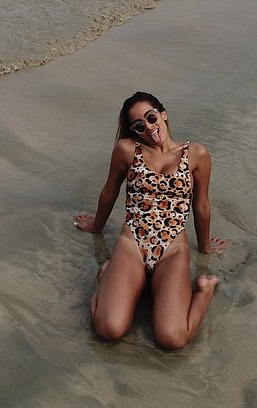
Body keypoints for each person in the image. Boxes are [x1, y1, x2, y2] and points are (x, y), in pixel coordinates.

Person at [74, 91, 227, 350]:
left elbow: (201, 205)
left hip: (173, 249)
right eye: (139, 125)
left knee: (172, 338)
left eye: (151, 117)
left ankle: (206, 290)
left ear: (163, 114)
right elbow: (109, 191)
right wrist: (96, 227)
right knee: (109, 329)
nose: (148, 127)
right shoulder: (127, 150)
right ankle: (105, 278)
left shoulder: (197, 154)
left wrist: (205, 249)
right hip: (132, 243)